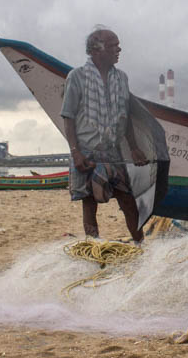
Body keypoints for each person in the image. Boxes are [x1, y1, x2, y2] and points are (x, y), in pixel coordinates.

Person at [61, 26, 153, 242]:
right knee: (89, 202)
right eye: (113, 46)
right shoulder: (77, 76)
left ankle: (140, 245)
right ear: (96, 49)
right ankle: (94, 246)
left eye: (118, 45)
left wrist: (134, 147)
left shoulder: (121, 78)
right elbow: (68, 116)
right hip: (86, 150)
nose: (118, 49)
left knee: (128, 201)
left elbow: (126, 115)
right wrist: (75, 152)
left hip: (112, 151)